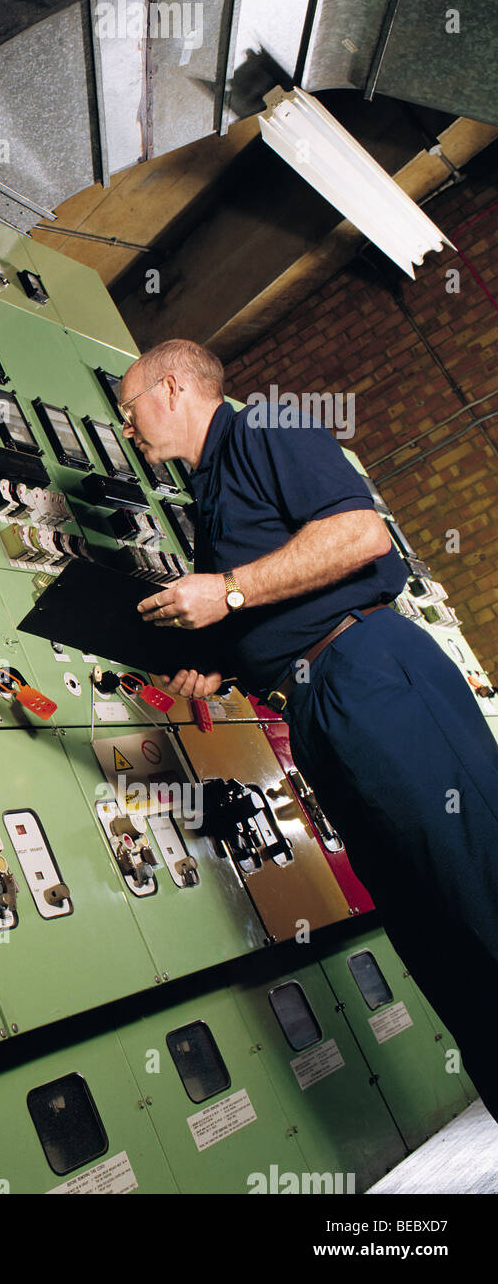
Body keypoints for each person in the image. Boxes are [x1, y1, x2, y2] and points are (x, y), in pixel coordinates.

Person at [120, 338, 498, 1116]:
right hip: (316, 708)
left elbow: (362, 536)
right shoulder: (210, 494)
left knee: (472, 884)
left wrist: (226, 591)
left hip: (369, 671)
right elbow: (261, 607)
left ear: (173, 385)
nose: (126, 427)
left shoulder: (267, 428)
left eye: (130, 408)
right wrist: (220, 664)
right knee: (424, 921)